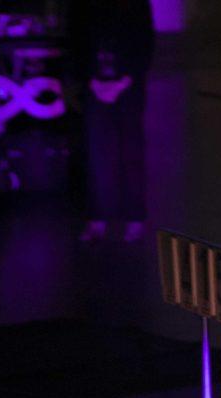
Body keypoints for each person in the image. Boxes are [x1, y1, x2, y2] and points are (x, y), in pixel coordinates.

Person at [66, 0, 155, 243]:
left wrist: (125, 80)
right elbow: (75, 40)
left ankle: (133, 218)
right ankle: (100, 218)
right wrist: (91, 80)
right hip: (98, 84)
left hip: (127, 85)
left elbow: (145, 41)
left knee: (130, 150)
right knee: (98, 153)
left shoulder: (134, 6)